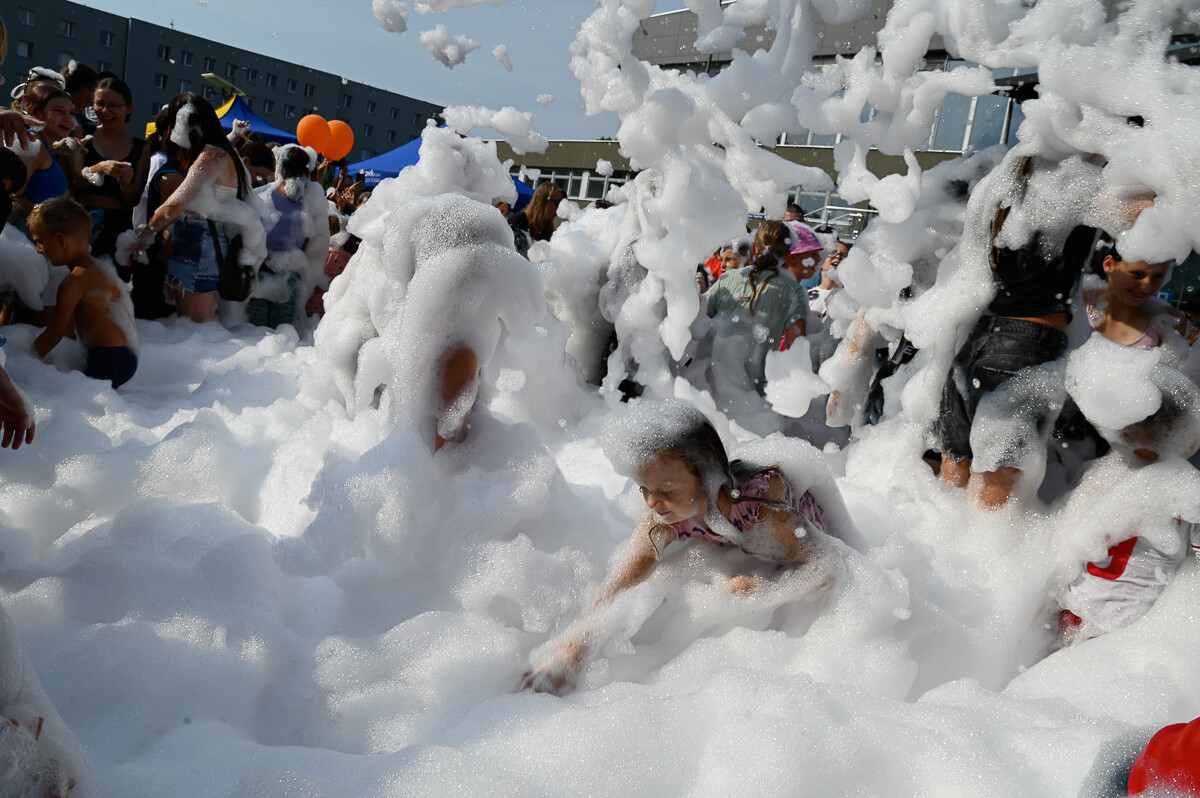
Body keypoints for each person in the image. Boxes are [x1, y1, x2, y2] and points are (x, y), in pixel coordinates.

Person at [520, 400, 850, 695]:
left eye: (666, 488)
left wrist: (765, 589)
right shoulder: (670, 513)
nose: (652, 502)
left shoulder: (761, 510)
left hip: (818, 541)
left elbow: (829, 568)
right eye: (643, 488)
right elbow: (621, 581)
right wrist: (572, 652)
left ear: (707, 477)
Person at [934, 152, 1151, 509]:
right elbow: (1156, 209)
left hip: (975, 347)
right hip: (1025, 351)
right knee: (992, 511)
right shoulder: (1077, 187)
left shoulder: (1004, 188)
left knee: (950, 489)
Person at [1057, 367, 1200, 644]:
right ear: (1190, 437)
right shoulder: (1188, 488)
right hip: (1121, 622)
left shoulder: (1101, 473)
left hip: (1073, 605)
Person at [129, 92, 265, 322]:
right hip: (205, 241)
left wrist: (143, 235)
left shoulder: (210, 156)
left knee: (195, 329)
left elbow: (174, 205)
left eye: (174, 124)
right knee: (196, 330)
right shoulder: (221, 151)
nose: (171, 132)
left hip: (200, 244)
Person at [29, 196, 138, 388]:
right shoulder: (98, 268)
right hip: (124, 355)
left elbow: (54, 333)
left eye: (40, 241)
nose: (38, 250)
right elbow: (73, 327)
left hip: (109, 359)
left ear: (60, 240)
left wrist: (26, 360)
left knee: (78, 401)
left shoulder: (74, 281)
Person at [703, 220, 812, 398]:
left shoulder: (728, 278)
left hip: (711, 384)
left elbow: (697, 319)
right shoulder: (793, 291)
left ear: (755, 248)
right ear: (788, 253)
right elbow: (796, 350)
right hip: (755, 394)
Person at [65, 77, 150, 271]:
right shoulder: (81, 132)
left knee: (110, 295)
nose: (105, 112)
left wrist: (124, 182)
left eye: (114, 106)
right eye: (100, 104)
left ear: (129, 108)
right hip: (81, 221)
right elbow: (78, 181)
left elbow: (133, 200)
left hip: (118, 229)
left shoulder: (140, 148)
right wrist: (99, 168)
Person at [248, 144, 329, 328]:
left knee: (253, 333)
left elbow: (247, 236)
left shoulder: (260, 196)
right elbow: (314, 244)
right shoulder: (312, 202)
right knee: (283, 335)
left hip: (259, 271)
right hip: (291, 275)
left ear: (279, 168)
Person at [11, 83, 75, 220]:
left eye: (71, 113)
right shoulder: (33, 143)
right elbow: (11, 197)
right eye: (59, 111)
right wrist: (54, 224)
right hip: (22, 236)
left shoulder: (43, 145)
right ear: (36, 113)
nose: (68, 119)